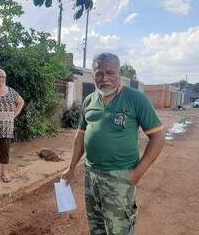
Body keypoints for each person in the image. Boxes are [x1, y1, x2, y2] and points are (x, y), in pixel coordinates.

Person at [62, 53, 165, 234]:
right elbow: (80, 138)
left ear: (120, 72)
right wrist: (71, 168)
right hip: (91, 176)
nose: (104, 78)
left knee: (120, 230)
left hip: (121, 177)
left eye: (110, 72)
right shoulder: (89, 100)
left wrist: (137, 174)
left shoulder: (136, 99)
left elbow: (158, 138)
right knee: (97, 227)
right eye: (99, 73)